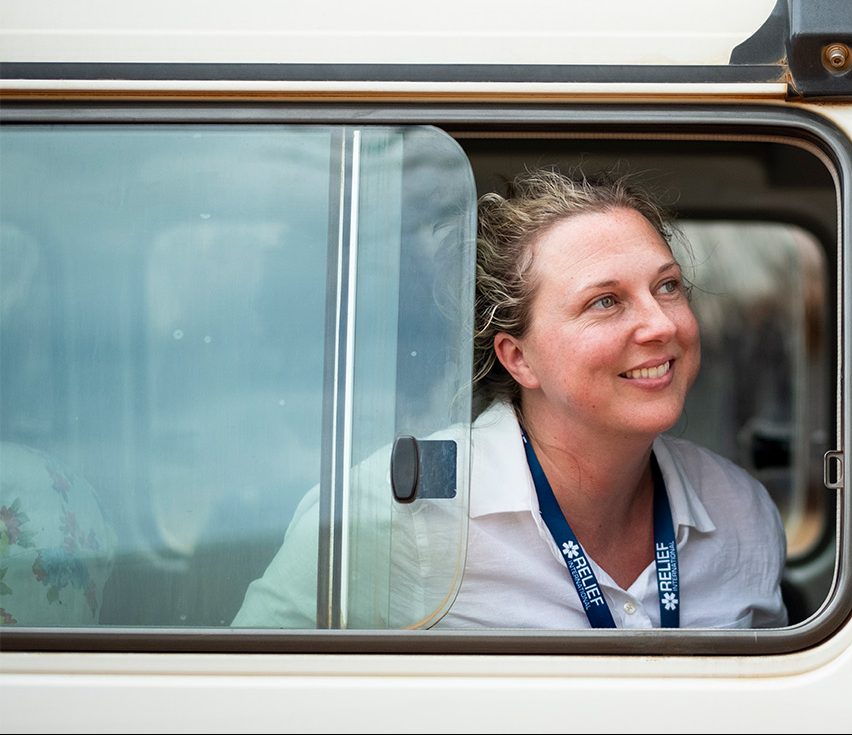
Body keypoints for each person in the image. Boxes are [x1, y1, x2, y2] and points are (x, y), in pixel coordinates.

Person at [234, 168, 787, 629]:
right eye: (605, 302)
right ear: (518, 358)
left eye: (667, 286)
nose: (660, 324)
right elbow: (247, 696)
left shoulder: (739, 511)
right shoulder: (403, 514)